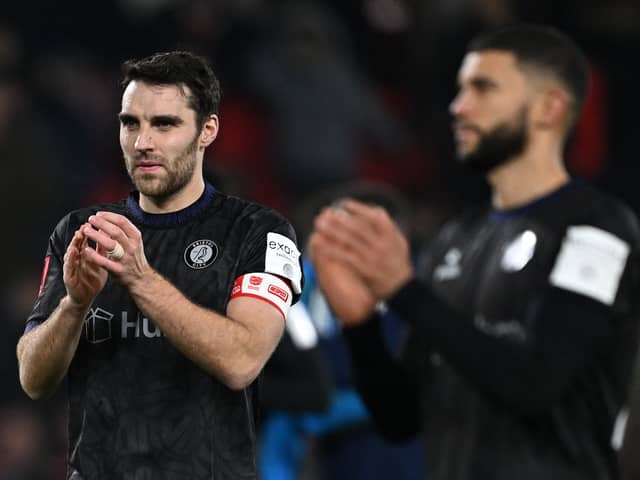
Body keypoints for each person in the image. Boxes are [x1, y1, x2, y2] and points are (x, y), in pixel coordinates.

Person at [309, 24, 640, 480]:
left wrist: (404, 291)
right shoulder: (456, 239)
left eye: (483, 88)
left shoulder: (598, 228)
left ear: (549, 108)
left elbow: (536, 386)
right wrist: (360, 325)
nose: (458, 107)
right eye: (460, 89)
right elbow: (400, 420)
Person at [16, 50, 303, 480]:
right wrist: (74, 306)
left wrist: (139, 277)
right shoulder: (84, 231)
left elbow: (241, 361)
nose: (141, 142)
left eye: (164, 124)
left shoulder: (257, 231)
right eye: (130, 123)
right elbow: (33, 379)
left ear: (207, 130)